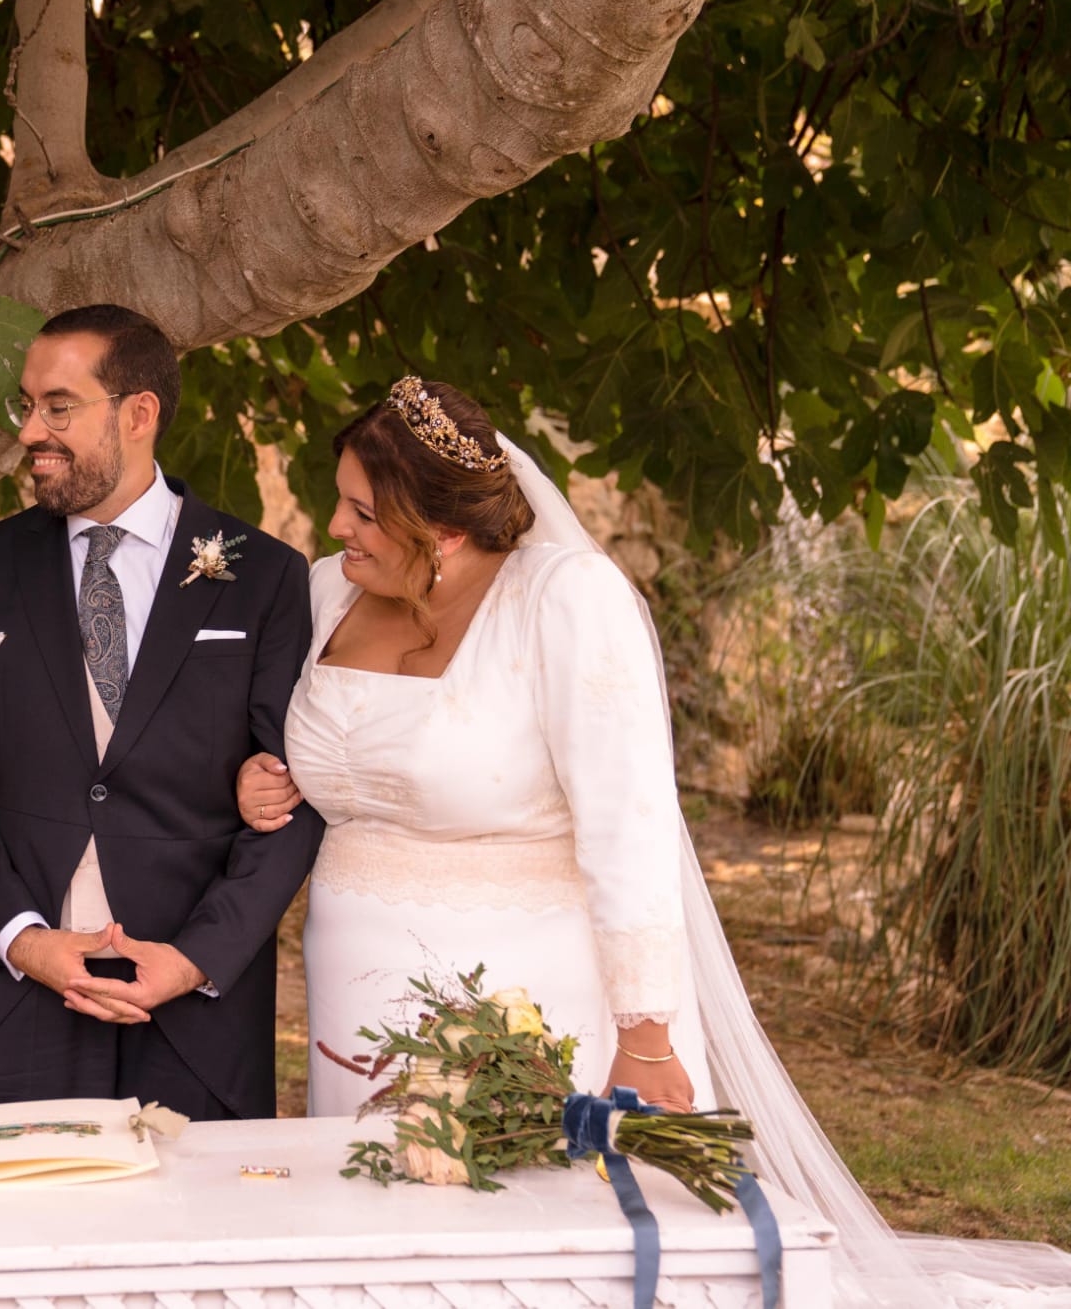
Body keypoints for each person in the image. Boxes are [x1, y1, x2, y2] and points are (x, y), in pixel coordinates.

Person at [236, 375, 1071, 1308]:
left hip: (522, 983)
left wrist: (645, 1030)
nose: (335, 524)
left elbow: (627, 822)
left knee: (527, 1235)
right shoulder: (324, 593)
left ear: (447, 528)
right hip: (352, 974)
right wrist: (264, 774)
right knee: (378, 1229)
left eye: (362, 510)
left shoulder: (564, 599)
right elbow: (305, 742)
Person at [0, 304, 324, 1123]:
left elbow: (295, 797)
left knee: (196, 1248)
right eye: (27, 405)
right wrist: (25, 940)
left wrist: (194, 959)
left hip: (196, 1014)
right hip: (26, 1002)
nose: (32, 429)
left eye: (58, 406)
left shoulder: (265, 576)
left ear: (138, 413)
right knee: (27, 1244)